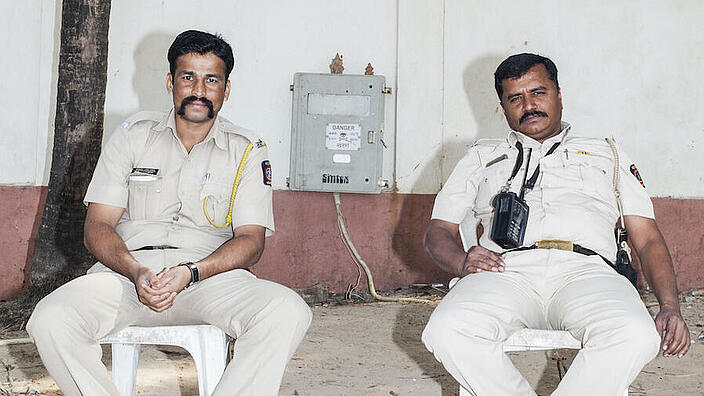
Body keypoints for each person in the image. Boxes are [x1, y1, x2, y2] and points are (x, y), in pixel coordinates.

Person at [27, 30, 312, 396]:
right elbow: (97, 225)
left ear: (226, 90)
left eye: (212, 79)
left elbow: (251, 243)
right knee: (51, 318)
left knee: (287, 311)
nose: (199, 89)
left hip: (209, 279)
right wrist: (135, 270)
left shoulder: (247, 150)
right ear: (170, 82)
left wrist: (190, 273)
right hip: (127, 278)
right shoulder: (132, 136)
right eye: (187, 77)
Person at [421, 53, 689, 396]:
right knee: (445, 330)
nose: (528, 105)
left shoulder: (607, 153)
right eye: (515, 98)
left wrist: (670, 306)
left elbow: (648, 239)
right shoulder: (480, 156)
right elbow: (437, 231)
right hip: (504, 271)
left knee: (636, 334)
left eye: (538, 92)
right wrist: (461, 261)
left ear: (559, 94)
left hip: (588, 272)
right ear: (503, 107)